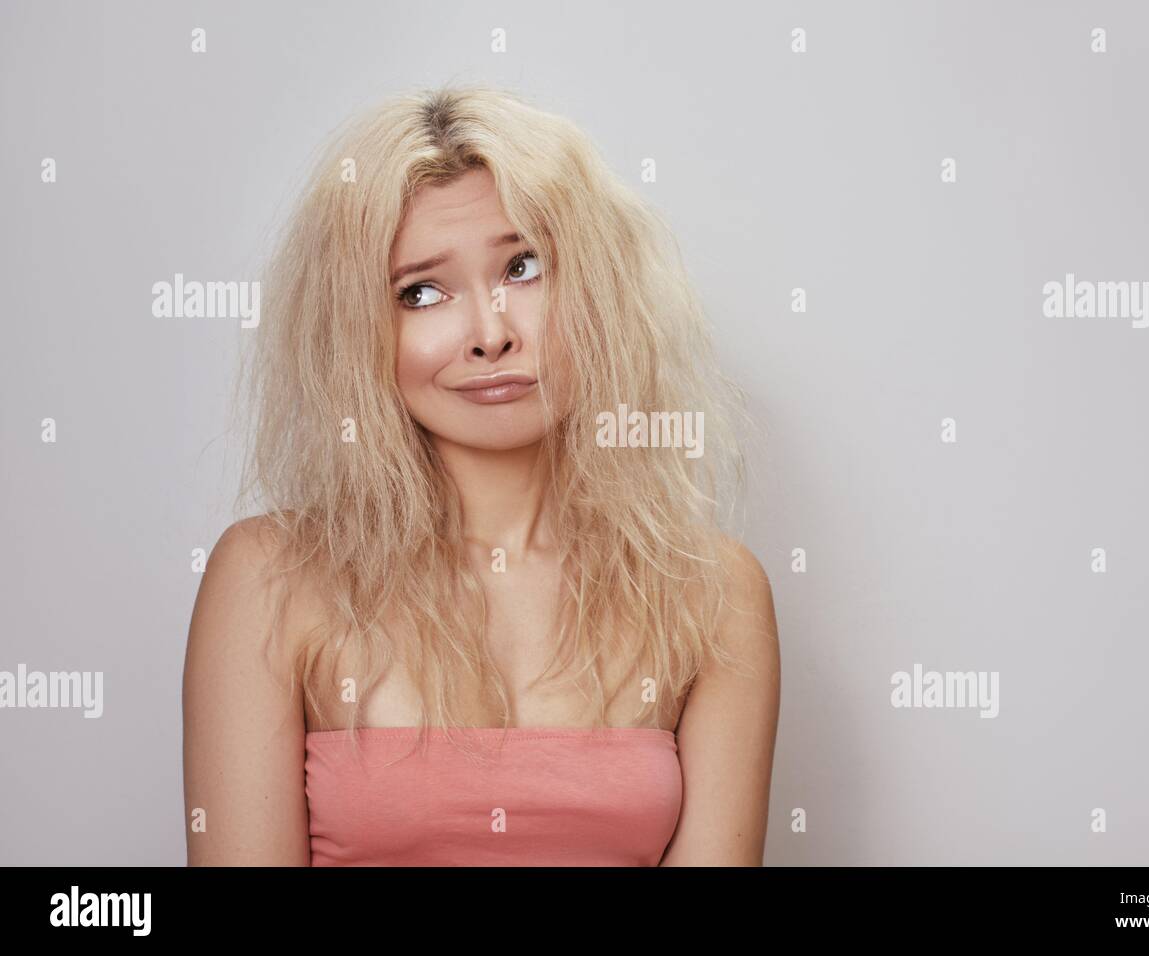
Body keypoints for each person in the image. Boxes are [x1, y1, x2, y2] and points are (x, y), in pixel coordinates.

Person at [182, 84, 780, 866]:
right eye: (421, 292)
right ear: (358, 330)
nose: (490, 333)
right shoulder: (270, 579)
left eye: (524, 267)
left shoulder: (713, 593)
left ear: (595, 291)